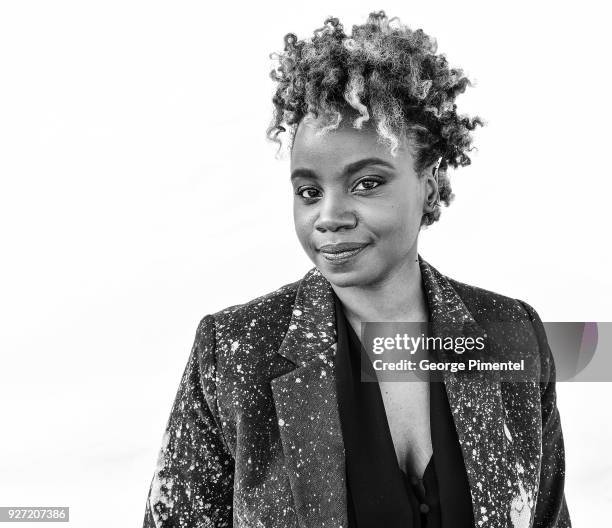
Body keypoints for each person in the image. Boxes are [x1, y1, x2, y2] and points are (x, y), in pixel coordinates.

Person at [143, 11, 570, 528]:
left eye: (366, 183)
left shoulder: (512, 336)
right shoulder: (233, 353)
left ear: (429, 183)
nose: (328, 218)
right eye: (308, 192)